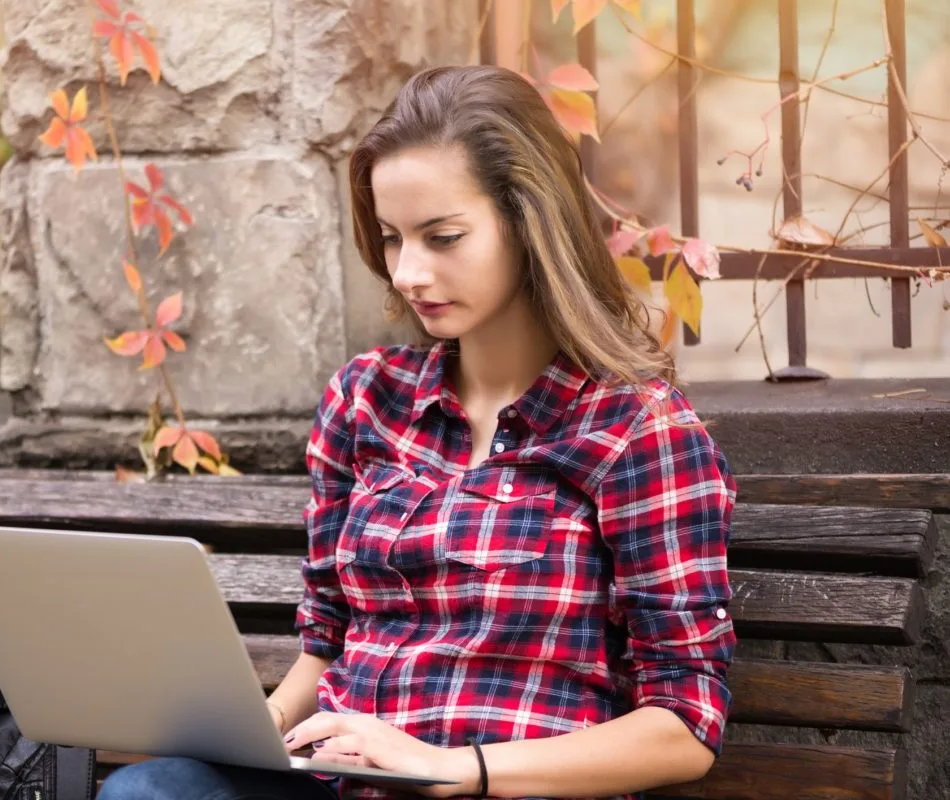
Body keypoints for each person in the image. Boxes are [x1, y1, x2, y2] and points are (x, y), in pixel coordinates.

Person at [97, 64, 736, 800]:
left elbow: (685, 723)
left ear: (532, 224)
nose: (406, 272)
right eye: (393, 239)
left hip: (508, 786)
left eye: (442, 237)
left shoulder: (636, 428)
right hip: (343, 782)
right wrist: (255, 730)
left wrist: (455, 768)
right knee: (152, 791)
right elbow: (327, 648)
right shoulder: (367, 398)